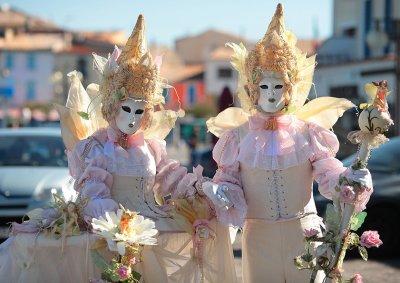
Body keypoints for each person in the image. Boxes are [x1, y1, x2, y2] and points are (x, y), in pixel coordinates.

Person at [0, 15, 236, 283]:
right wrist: (120, 227)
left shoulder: (150, 147)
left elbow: (170, 178)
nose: (133, 118)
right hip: (109, 238)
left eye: (140, 111)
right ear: (112, 106)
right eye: (127, 109)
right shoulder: (95, 148)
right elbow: (93, 193)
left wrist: (202, 190)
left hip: (151, 232)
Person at [203, 4, 373, 283]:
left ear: (289, 89)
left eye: (278, 86)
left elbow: (328, 173)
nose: (271, 94)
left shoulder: (308, 132)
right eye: (264, 87)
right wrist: (220, 192)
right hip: (258, 239)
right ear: (253, 91)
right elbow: (230, 181)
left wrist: (348, 180)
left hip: (304, 235)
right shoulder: (238, 137)